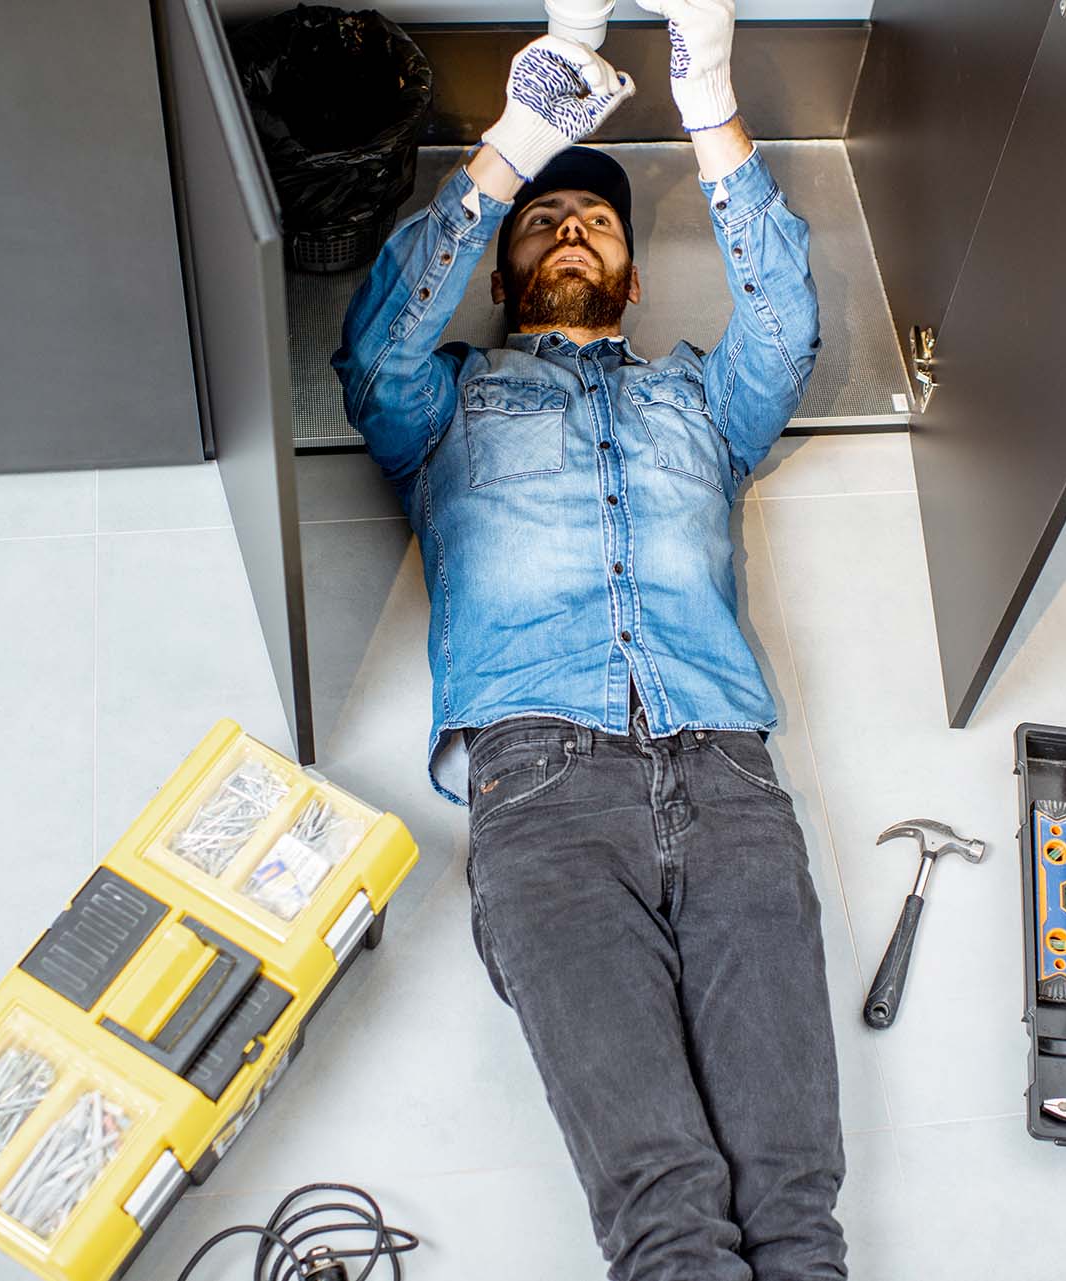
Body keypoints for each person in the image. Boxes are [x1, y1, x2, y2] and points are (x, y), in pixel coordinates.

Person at [332, 2, 842, 1275]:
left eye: (596, 219)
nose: (571, 228)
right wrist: (514, 141)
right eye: (544, 224)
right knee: (667, 1207)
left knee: (794, 1205)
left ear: (626, 270)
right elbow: (373, 347)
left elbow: (784, 325)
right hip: (543, 798)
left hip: (730, 781)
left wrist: (709, 103)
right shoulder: (445, 404)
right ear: (503, 276)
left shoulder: (700, 401)